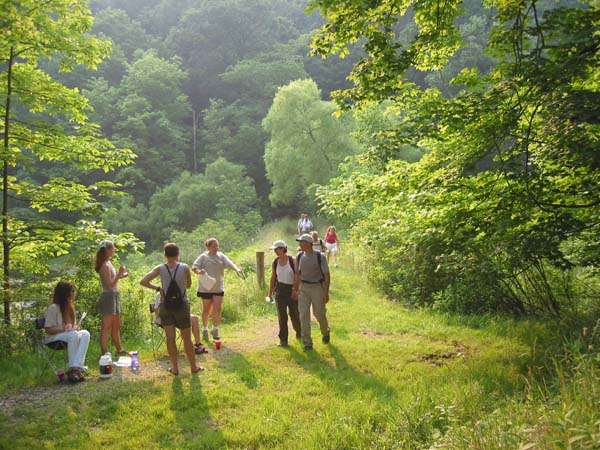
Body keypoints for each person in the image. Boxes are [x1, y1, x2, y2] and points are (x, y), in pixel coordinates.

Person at [140, 242, 204, 375]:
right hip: (182, 306)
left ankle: (175, 368)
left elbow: (143, 281)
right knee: (186, 337)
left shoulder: (160, 268)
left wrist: (158, 288)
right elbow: (188, 286)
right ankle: (193, 367)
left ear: (165, 255)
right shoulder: (185, 267)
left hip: (165, 306)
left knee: (170, 338)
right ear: (178, 254)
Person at [192, 238, 243, 341]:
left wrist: (236, 269)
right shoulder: (203, 257)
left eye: (217, 246)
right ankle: (205, 328)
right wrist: (199, 271)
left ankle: (215, 329)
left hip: (218, 286)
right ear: (208, 247)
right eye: (213, 246)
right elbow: (194, 267)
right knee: (207, 309)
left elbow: (229, 263)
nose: (216, 248)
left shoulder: (221, 256)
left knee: (218, 308)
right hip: (206, 287)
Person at [44, 281, 90, 382]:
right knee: (73, 335)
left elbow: (70, 328)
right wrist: (65, 328)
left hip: (67, 335)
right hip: (53, 338)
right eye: (72, 291)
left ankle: (76, 368)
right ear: (65, 294)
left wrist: (75, 328)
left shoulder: (70, 308)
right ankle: (74, 369)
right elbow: (48, 329)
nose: (74, 293)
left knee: (85, 333)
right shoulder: (53, 308)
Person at [292, 234, 331, 350]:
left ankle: (325, 331)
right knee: (303, 315)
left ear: (309, 243)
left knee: (319, 314)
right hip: (303, 288)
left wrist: (325, 292)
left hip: (317, 287)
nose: (299, 244)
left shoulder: (320, 256)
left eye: (302, 242)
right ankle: (307, 343)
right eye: (299, 242)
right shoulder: (299, 256)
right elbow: (297, 274)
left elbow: (327, 275)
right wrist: (295, 289)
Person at [95, 240, 128, 355]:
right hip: (108, 297)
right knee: (106, 325)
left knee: (116, 324)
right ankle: (105, 351)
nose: (113, 251)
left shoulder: (109, 263)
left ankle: (120, 349)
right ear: (106, 250)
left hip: (114, 295)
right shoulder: (104, 265)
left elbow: (113, 280)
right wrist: (119, 274)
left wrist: (121, 274)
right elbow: (109, 285)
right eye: (112, 248)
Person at [267, 240, 301, 347]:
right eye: (274, 250)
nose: (275, 252)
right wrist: (270, 293)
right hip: (280, 290)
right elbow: (273, 278)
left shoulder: (293, 260)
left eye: (276, 249)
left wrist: (295, 290)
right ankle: (283, 340)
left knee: (294, 314)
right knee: (282, 316)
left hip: (291, 289)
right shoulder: (275, 262)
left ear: (282, 249)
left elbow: (297, 275)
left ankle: (299, 331)